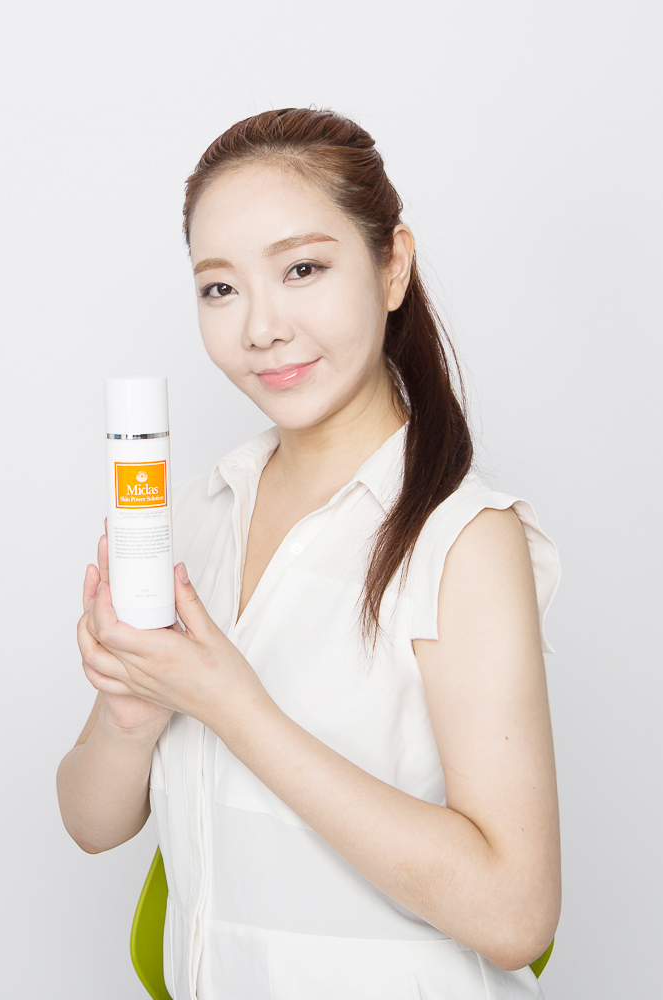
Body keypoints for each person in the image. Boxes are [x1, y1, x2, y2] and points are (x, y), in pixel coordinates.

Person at [56, 108, 561, 1000]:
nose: (260, 328)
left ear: (391, 265)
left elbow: (515, 914)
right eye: (220, 287)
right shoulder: (205, 514)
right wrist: (129, 719)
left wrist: (233, 707)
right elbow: (92, 825)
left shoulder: (462, 540)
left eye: (302, 269)